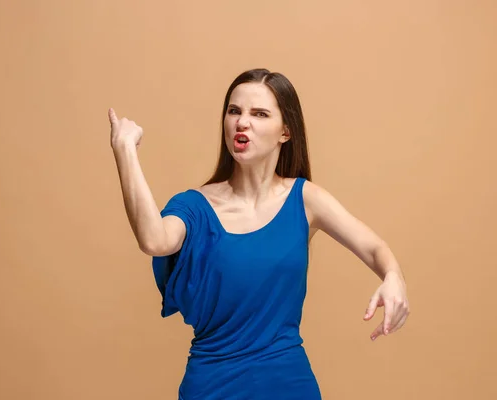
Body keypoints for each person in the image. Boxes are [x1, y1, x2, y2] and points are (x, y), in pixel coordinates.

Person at [109, 68, 410, 399]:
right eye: (234, 111)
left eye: (259, 114)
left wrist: (394, 276)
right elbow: (154, 240)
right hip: (212, 387)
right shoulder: (194, 207)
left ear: (285, 131)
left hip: (289, 384)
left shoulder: (305, 199)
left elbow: (373, 248)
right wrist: (125, 149)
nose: (242, 122)